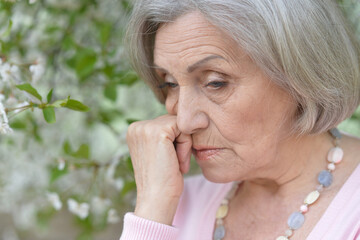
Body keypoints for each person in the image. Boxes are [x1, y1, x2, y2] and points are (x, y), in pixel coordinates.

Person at [120, 0, 360, 239]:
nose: (184, 122)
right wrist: (151, 211)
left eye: (215, 82)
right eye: (170, 83)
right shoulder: (172, 203)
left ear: (303, 75)